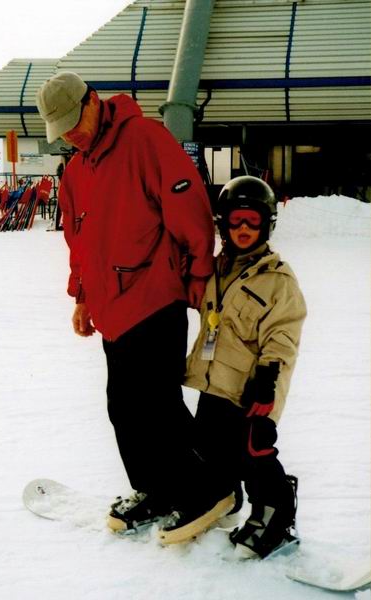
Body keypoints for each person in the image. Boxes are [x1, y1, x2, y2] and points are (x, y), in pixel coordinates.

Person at [36, 71, 235, 545]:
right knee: (123, 408)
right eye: (58, 129)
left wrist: (199, 275)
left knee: (156, 406)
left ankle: (207, 491)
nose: (68, 134)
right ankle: (158, 489)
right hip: (111, 306)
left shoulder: (145, 139)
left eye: (71, 122)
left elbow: (189, 212)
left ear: (92, 103)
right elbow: (78, 240)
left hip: (155, 294)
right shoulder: (79, 168)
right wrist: (81, 296)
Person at [184, 175, 307, 558]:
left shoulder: (277, 279)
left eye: (252, 221)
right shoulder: (215, 270)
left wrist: (267, 380)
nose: (243, 229)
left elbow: (283, 335)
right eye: (236, 220)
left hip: (252, 388)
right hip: (214, 381)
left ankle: (277, 513)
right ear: (223, 223)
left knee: (252, 450)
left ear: (266, 224)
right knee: (207, 446)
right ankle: (224, 499)